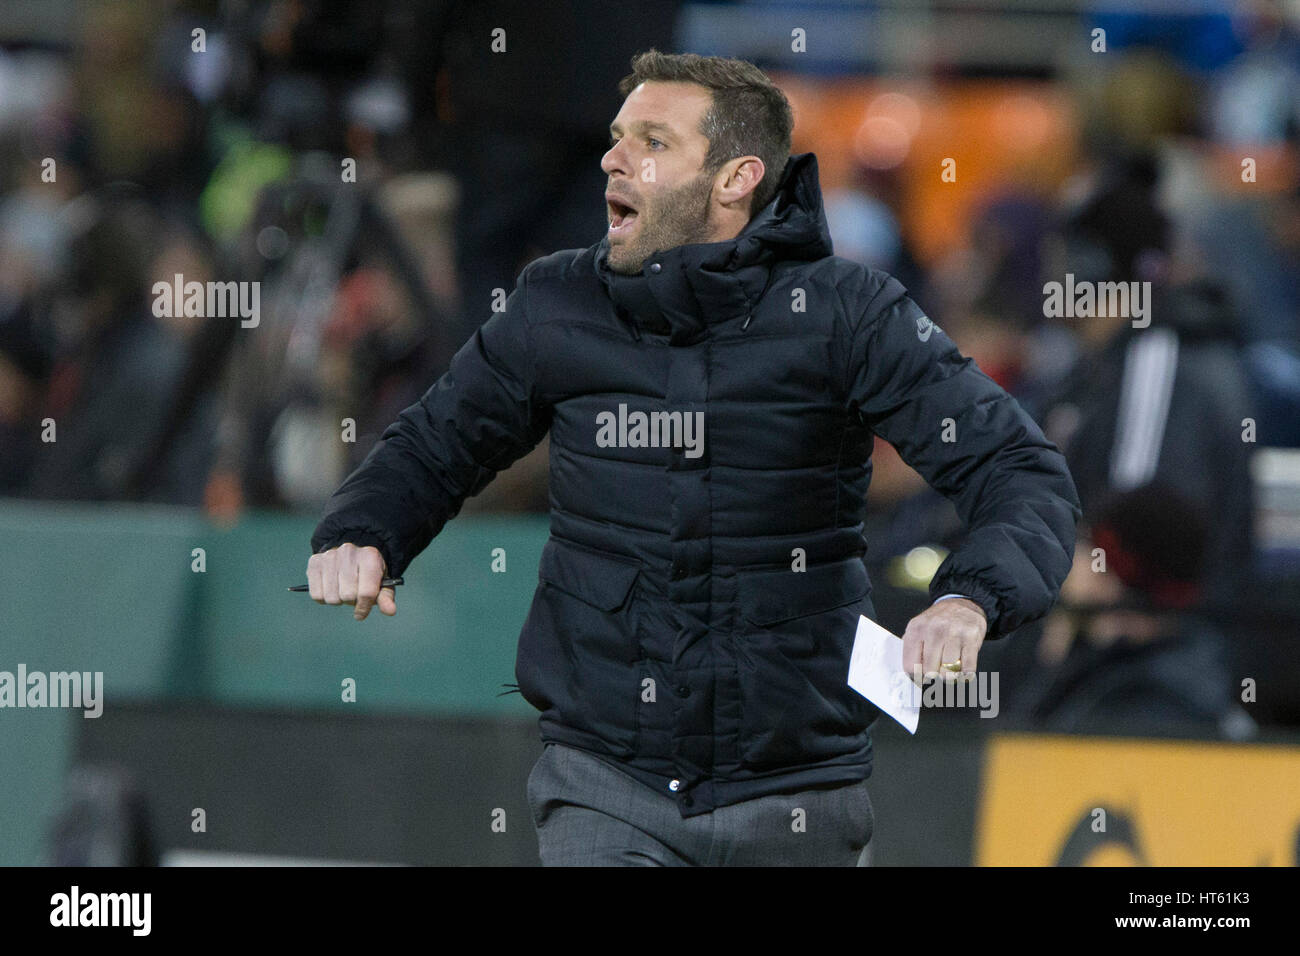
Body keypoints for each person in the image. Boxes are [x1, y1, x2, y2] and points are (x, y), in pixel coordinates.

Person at [305, 51, 1081, 866]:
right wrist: (364, 529)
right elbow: (435, 444)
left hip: (797, 796)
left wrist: (969, 601)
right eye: (614, 137)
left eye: (652, 140)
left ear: (734, 178)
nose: (612, 158)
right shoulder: (553, 305)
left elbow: (1020, 472)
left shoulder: (847, 314)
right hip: (604, 785)